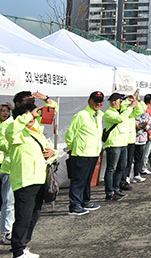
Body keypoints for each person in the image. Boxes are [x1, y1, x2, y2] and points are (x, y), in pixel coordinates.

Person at [6, 91, 58, 258]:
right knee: (23, 215)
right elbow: (11, 133)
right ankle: (17, 250)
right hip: (25, 179)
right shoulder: (15, 131)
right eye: (31, 118)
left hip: (39, 178)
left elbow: (49, 151)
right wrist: (26, 116)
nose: (34, 120)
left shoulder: (37, 132)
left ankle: (24, 245)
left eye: (34, 118)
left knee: (34, 214)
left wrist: (52, 152)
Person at [64, 91, 104, 216]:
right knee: (78, 180)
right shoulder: (81, 115)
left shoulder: (99, 115)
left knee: (87, 180)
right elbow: (70, 134)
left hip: (93, 152)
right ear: (89, 101)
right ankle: (74, 205)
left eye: (100, 101)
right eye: (95, 101)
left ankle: (85, 201)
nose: (98, 103)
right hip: (81, 153)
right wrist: (71, 148)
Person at [102, 92, 140, 200]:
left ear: (120, 101)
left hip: (123, 143)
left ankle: (116, 189)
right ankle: (109, 193)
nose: (113, 102)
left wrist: (135, 101)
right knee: (111, 169)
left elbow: (138, 111)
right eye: (111, 101)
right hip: (113, 144)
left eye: (116, 100)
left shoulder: (124, 110)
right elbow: (120, 119)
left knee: (122, 167)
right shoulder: (109, 112)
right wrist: (130, 107)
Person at [0, 103, 14, 243]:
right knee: (7, 201)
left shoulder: (12, 123)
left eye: (7, 111)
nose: (5, 113)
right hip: (6, 167)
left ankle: (7, 230)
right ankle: (6, 231)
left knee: (9, 201)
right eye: (2, 111)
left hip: (9, 166)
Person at [132, 98, 151, 183]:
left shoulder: (146, 115)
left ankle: (136, 175)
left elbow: (150, 125)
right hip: (131, 140)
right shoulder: (131, 114)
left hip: (141, 140)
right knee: (129, 160)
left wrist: (146, 128)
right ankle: (127, 177)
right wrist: (136, 126)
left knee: (139, 158)